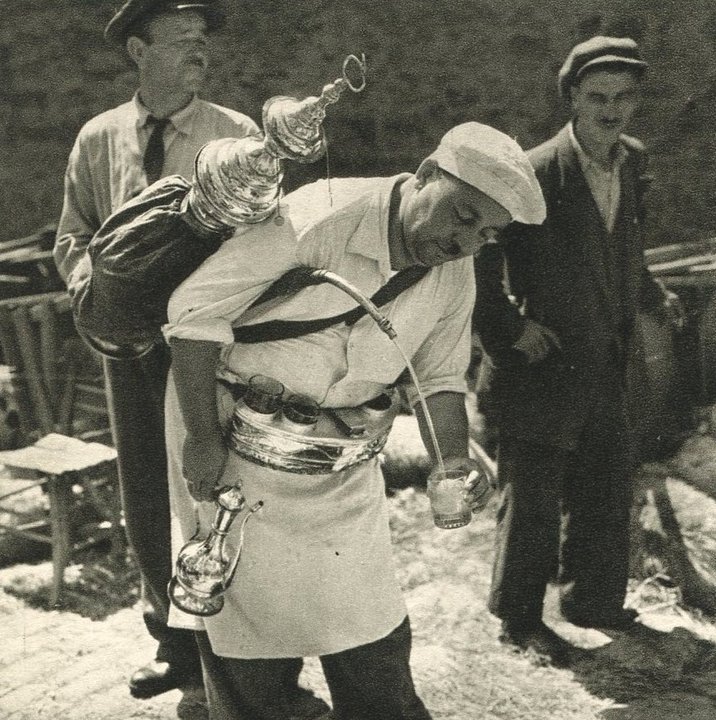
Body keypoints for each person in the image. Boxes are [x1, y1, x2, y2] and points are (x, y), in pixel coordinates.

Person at [160, 121, 546, 719]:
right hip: (235, 435)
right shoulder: (320, 217)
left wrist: (452, 461)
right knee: (247, 625)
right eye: (463, 216)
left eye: (487, 234)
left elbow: (437, 377)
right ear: (425, 175)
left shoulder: (453, 272)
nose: (466, 243)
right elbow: (193, 317)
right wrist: (202, 441)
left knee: (370, 625)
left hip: (341, 458)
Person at [53, 0, 260, 700]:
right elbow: (74, 233)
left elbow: (265, 238)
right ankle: (172, 645)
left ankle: (236, 651)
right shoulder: (99, 136)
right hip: (127, 347)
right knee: (144, 488)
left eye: (202, 40)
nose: (199, 51)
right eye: (180, 40)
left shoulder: (235, 134)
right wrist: (92, 292)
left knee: (214, 484)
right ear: (138, 52)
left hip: (208, 342)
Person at [472, 36, 680, 665]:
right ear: (572, 98)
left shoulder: (632, 161)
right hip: (543, 362)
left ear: (636, 101)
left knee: (605, 486)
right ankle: (519, 621)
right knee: (533, 498)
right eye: (597, 97)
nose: (611, 110)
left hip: (608, 358)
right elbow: (476, 257)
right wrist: (509, 330)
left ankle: (592, 602)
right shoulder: (533, 171)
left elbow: (621, 249)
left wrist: (653, 295)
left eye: (623, 97)